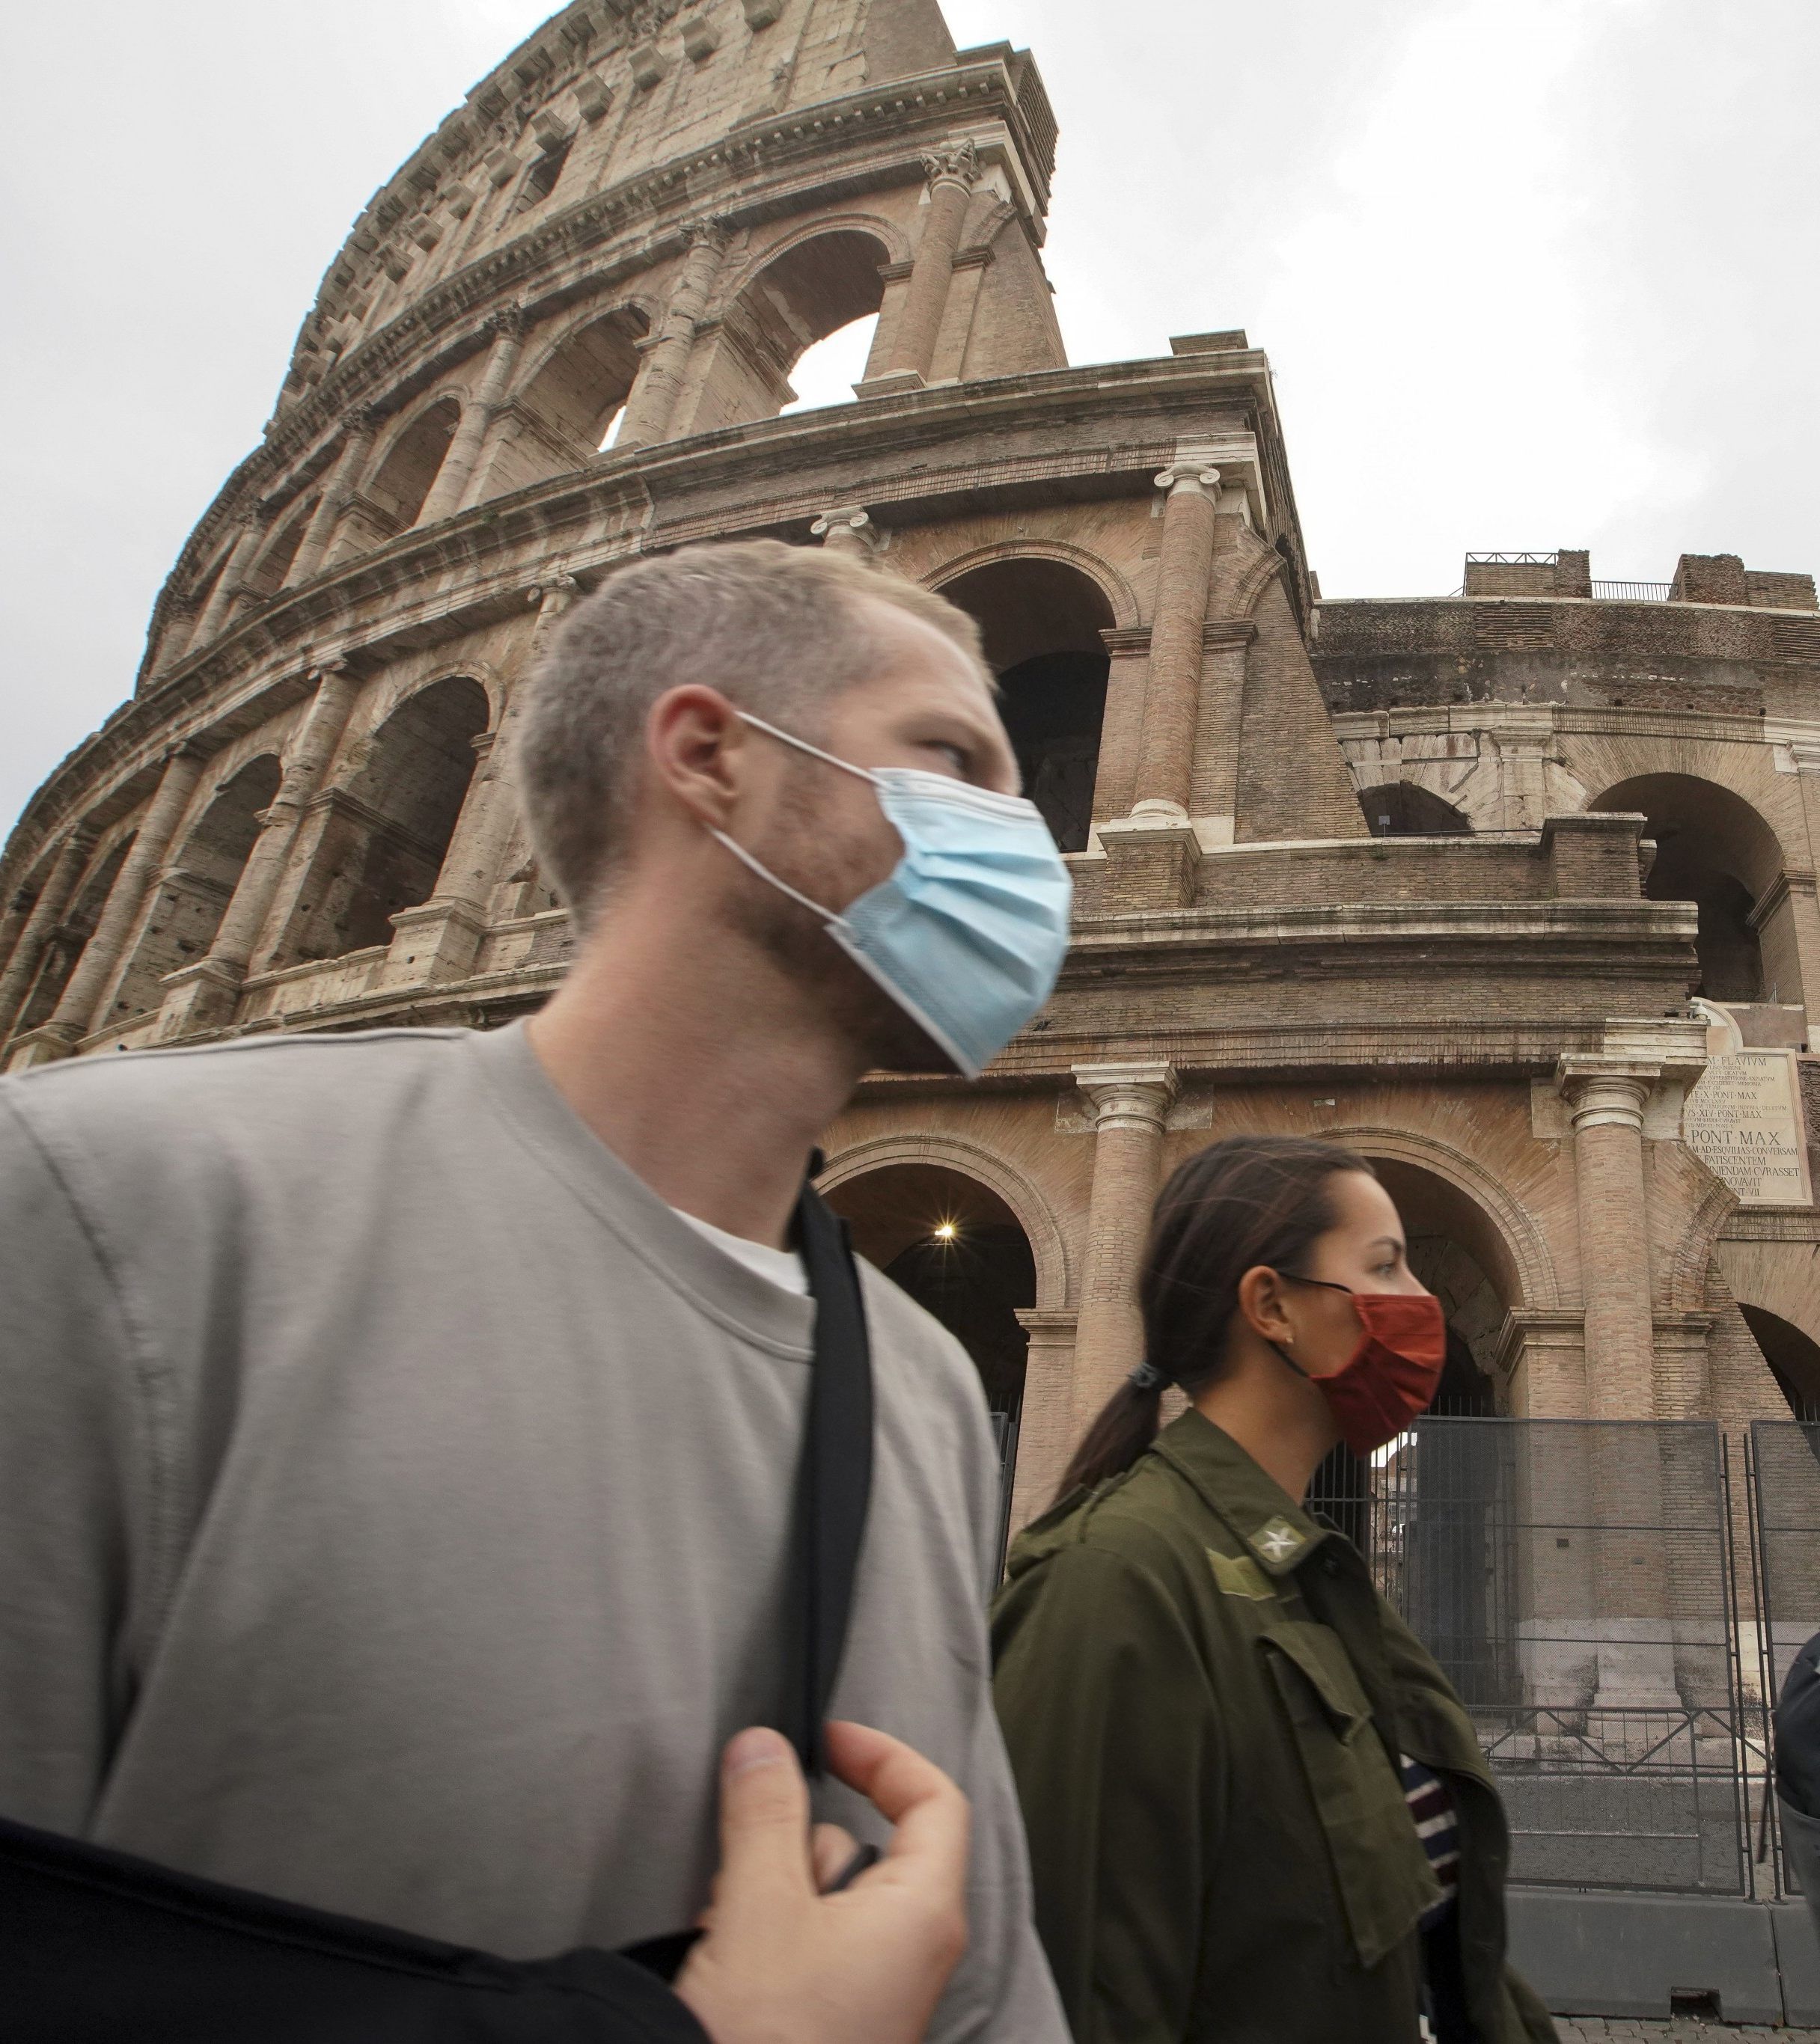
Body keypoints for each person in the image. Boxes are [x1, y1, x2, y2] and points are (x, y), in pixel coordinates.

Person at [0, 541, 1074, 2042]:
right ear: (710, 758)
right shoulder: (111, 1213)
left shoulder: (918, 1385)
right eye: (952, 758)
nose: (1026, 837)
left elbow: (979, 1979)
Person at [990, 1134, 1560, 2044]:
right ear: (1271, 1305)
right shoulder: (1116, 1582)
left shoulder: (1311, 1572)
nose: (1424, 1301)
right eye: (1385, 1264)